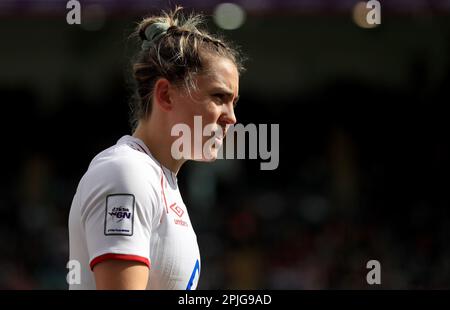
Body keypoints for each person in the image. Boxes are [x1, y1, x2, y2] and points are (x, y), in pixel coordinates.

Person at [68, 6, 244, 290]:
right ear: (165, 95)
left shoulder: (158, 179)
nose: (232, 118)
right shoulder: (126, 173)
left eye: (233, 102)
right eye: (218, 97)